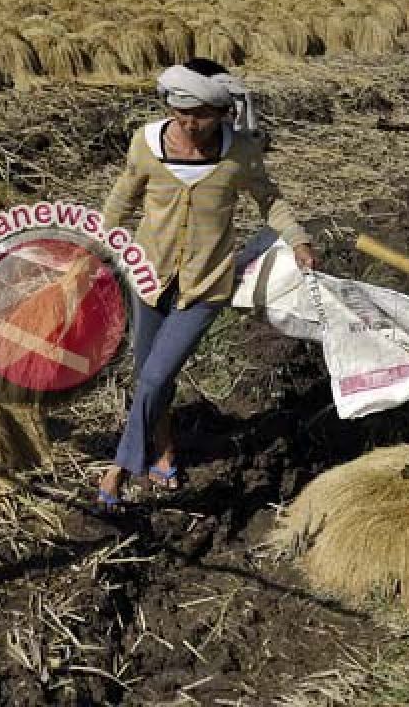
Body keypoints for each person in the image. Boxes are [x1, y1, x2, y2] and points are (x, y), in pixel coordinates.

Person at [94, 57, 316, 511]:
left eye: (198, 115)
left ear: (221, 114)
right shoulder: (147, 144)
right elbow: (122, 196)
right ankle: (165, 447)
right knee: (149, 375)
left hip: (206, 285)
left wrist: (298, 240)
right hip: (148, 275)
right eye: (180, 114)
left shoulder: (239, 154)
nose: (188, 124)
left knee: (156, 374)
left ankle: (120, 466)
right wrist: (95, 243)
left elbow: (269, 200)